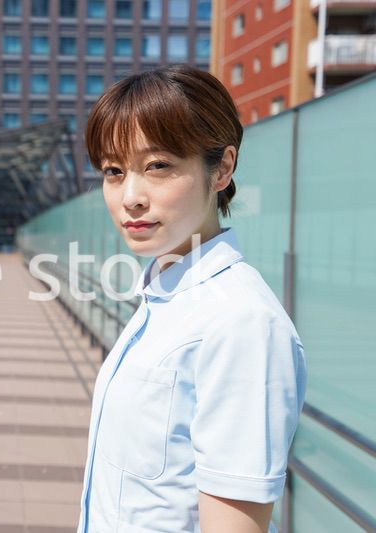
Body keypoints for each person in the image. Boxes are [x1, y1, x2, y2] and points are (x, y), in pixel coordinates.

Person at [77, 64, 307, 533]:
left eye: (157, 166)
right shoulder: (165, 298)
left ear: (221, 168)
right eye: (114, 171)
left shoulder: (240, 323)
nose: (131, 197)